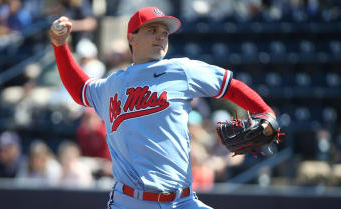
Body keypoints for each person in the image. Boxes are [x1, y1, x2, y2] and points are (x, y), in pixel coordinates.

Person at [50, 6, 276, 209]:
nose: (161, 36)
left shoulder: (182, 70)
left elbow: (230, 87)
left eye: (165, 32)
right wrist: (60, 48)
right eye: (152, 30)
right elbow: (80, 89)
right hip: (130, 203)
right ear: (132, 38)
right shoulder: (113, 84)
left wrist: (265, 112)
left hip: (183, 201)